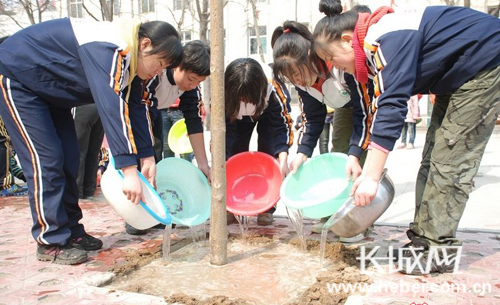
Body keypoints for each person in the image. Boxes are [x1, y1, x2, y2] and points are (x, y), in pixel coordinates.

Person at [313, 0, 500, 274]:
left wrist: (373, 177)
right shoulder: (372, 45)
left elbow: (392, 106)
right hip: (458, 74)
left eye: (331, 58)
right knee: (433, 156)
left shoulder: (384, 39)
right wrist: (357, 155)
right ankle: (423, 240)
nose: (333, 67)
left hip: (483, 63)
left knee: (450, 161)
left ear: (345, 40)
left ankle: (438, 250)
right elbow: (372, 109)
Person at [0, 18, 183, 265]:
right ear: (145, 44)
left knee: (69, 159)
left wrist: (147, 155)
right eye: (160, 63)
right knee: (46, 161)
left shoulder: (132, 63)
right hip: (18, 80)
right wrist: (128, 170)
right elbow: (112, 107)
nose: (159, 72)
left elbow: (136, 106)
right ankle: (51, 239)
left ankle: (71, 231)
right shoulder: (110, 47)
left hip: (52, 95)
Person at [272, 21, 373, 237]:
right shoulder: (302, 84)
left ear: (310, 56)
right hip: (343, 109)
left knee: (354, 156)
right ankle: (333, 213)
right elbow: (314, 118)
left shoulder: (339, 67)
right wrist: (302, 152)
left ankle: (358, 220)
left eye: (298, 72)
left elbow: (363, 113)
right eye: (290, 77)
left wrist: (356, 152)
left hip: (366, 107)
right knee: (339, 153)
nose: (297, 80)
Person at [225, 58, 293, 226]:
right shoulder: (223, 89)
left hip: (266, 114)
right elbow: (224, 129)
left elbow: (281, 127)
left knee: (268, 152)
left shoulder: (274, 88)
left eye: (248, 97)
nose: (245, 101)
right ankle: (232, 204)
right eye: (241, 97)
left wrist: (283, 160)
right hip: (236, 118)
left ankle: (266, 207)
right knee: (234, 152)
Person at [153, 40, 210, 176]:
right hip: (138, 111)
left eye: (199, 81)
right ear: (177, 66)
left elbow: (194, 121)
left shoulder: (191, 89)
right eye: (191, 79)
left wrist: (203, 165)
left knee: (156, 151)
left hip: (154, 112)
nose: (193, 85)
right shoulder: (156, 74)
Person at [73, 104, 104, 199]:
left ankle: (76, 193)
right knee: (93, 153)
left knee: (77, 152)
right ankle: (89, 191)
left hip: (82, 104)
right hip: (101, 105)